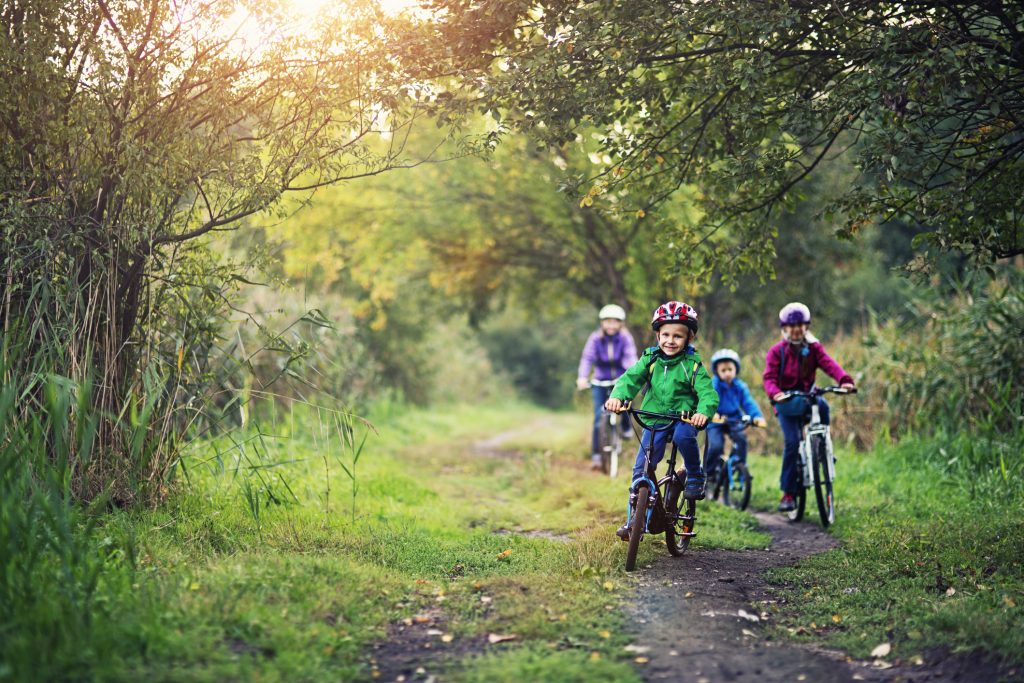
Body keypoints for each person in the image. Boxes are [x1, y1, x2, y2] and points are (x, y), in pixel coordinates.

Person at [604, 301, 719, 541]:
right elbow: (630, 379)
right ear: (657, 335)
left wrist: (702, 413)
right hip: (653, 418)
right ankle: (632, 521)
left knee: (683, 436)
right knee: (642, 468)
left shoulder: (692, 365)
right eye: (665, 334)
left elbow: (708, 393)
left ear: (689, 338)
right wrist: (617, 397)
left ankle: (695, 474)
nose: (670, 340)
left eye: (678, 336)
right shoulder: (650, 359)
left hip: (683, 418)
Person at [763, 303, 856, 513]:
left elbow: (829, 364)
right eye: (791, 325)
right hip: (786, 402)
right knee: (792, 443)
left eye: (801, 324)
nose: (796, 329)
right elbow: (768, 377)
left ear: (807, 326)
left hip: (808, 397)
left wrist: (844, 379)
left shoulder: (814, 347)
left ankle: (822, 448)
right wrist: (775, 393)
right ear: (784, 328)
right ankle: (788, 493)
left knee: (823, 407)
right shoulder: (777, 352)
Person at [576, 304, 638, 469]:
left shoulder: (625, 338)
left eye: (614, 322)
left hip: (620, 379)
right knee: (599, 417)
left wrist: (632, 373)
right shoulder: (595, 338)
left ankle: (626, 427)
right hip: (600, 380)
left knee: (624, 406)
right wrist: (582, 377)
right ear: (602, 323)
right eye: (607, 322)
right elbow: (587, 358)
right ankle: (596, 455)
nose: (611, 325)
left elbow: (630, 356)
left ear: (621, 323)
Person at [706, 349, 767, 479]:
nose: (727, 373)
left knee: (741, 440)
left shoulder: (740, 386)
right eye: (723, 370)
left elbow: (748, 403)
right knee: (716, 446)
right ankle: (708, 474)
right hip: (716, 420)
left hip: (734, 418)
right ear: (717, 371)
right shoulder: (714, 385)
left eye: (730, 369)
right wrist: (712, 414)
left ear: (736, 369)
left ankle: (740, 467)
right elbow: (708, 401)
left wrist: (757, 417)